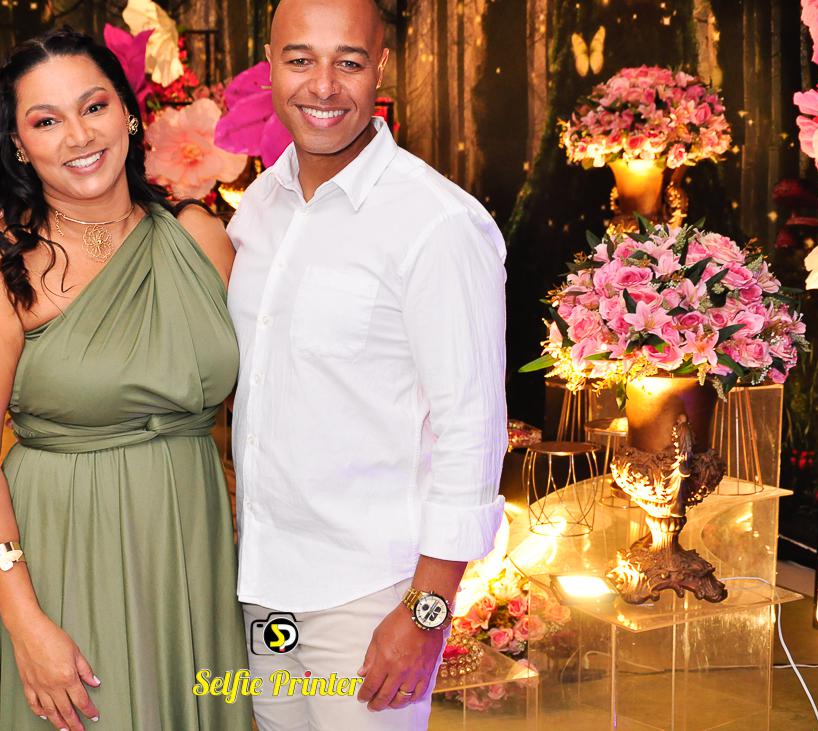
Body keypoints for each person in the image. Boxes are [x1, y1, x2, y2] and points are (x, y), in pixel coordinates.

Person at [0, 28, 252, 731]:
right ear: (19, 145)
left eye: (94, 107)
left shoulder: (200, 238)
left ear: (130, 115)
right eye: (46, 120)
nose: (79, 136)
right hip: (67, 546)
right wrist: (24, 621)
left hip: (192, 540)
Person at [226, 0, 507, 729]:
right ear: (270, 64)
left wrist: (426, 611)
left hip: (371, 594)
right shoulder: (257, 207)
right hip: (266, 590)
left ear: (381, 67)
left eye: (347, 62)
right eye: (300, 60)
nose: (323, 86)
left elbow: (472, 430)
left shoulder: (438, 223)